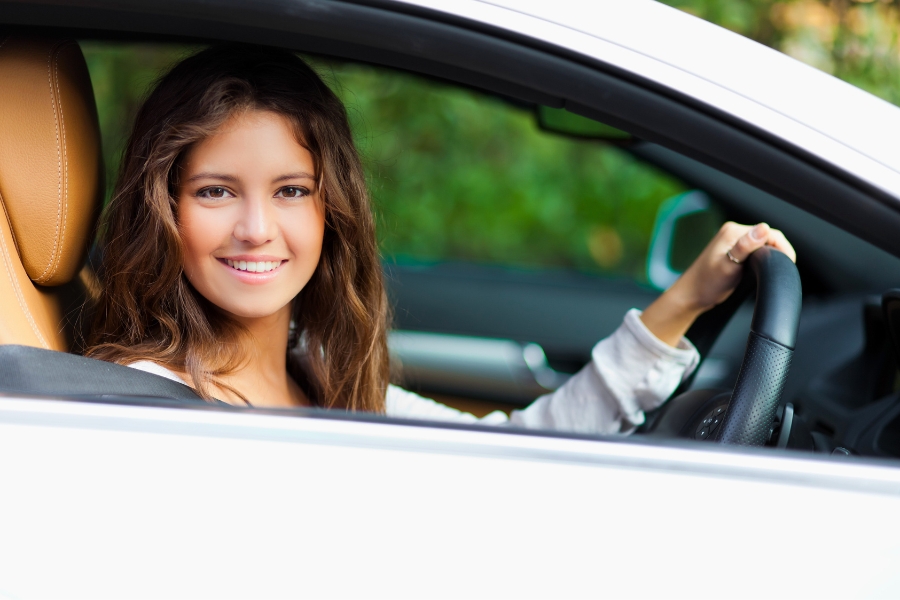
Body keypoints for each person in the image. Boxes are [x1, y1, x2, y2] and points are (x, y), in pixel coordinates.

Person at [85, 45, 796, 435]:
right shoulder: (153, 408)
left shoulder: (320, 373)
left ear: (333, 211)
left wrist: (686, 300)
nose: (256, 228)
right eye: (215, 191)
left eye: (291, 190)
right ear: (163, 208)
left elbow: (519, 453)